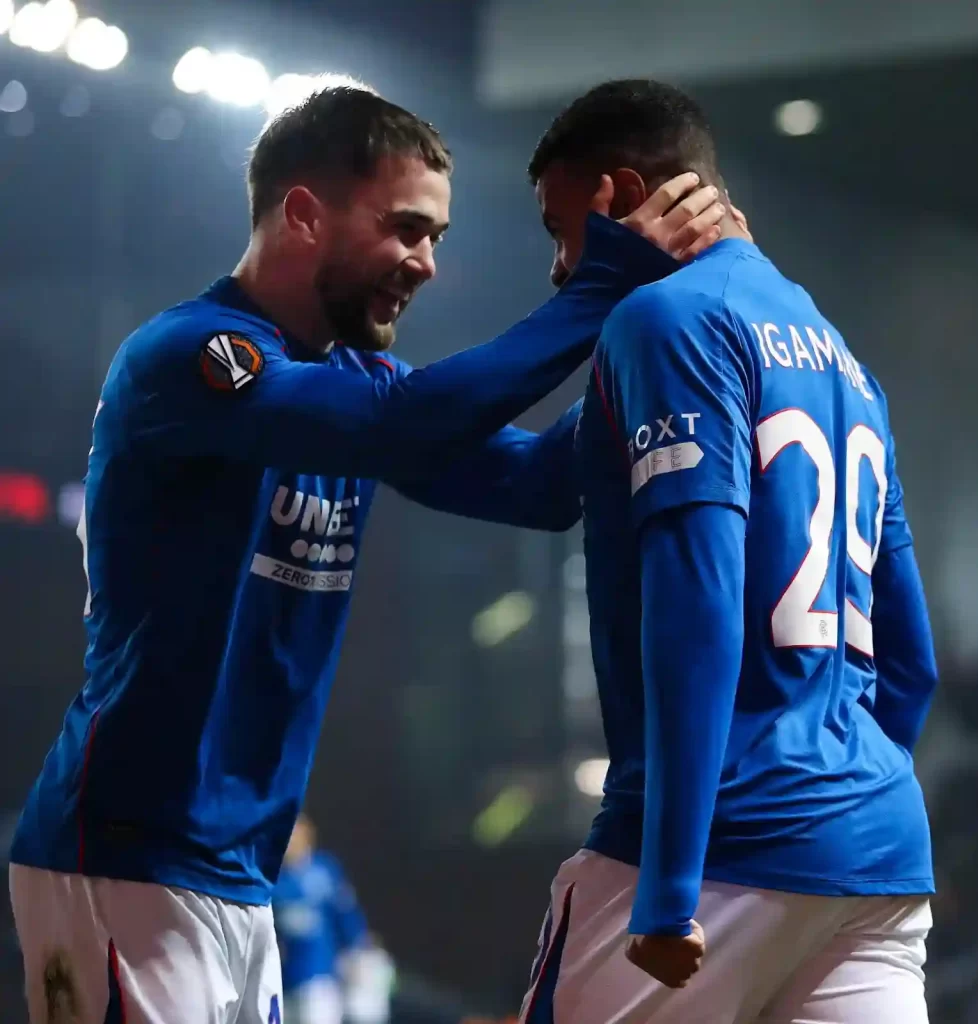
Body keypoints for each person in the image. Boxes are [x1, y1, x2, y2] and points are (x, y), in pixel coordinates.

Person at [8, 85, 724, 1024]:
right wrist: (601, 287)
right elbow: (404, 421)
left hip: (244, 874)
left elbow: (545, 489)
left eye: (436, 237)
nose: (426, 264)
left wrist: (660, 336)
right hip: (123, 857)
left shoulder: (357, 386)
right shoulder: (191, 359)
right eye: (406, 229)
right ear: (303, 211)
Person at [520, 80, 939, 1024]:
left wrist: (670, 887)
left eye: (561, 229)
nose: (559, 268)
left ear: (620, 195)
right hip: (872, 861)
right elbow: (912, 660)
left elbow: (696, 602)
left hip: (714, 855)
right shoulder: (847, 363)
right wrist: (842, 799)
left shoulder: (663, 319)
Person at [274, 814, 391, 1024]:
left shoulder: (325, 870)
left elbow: (347, 915)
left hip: (319, 981)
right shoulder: (273, 878)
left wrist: (358, 948)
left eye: (295, 833)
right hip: (282, 982)